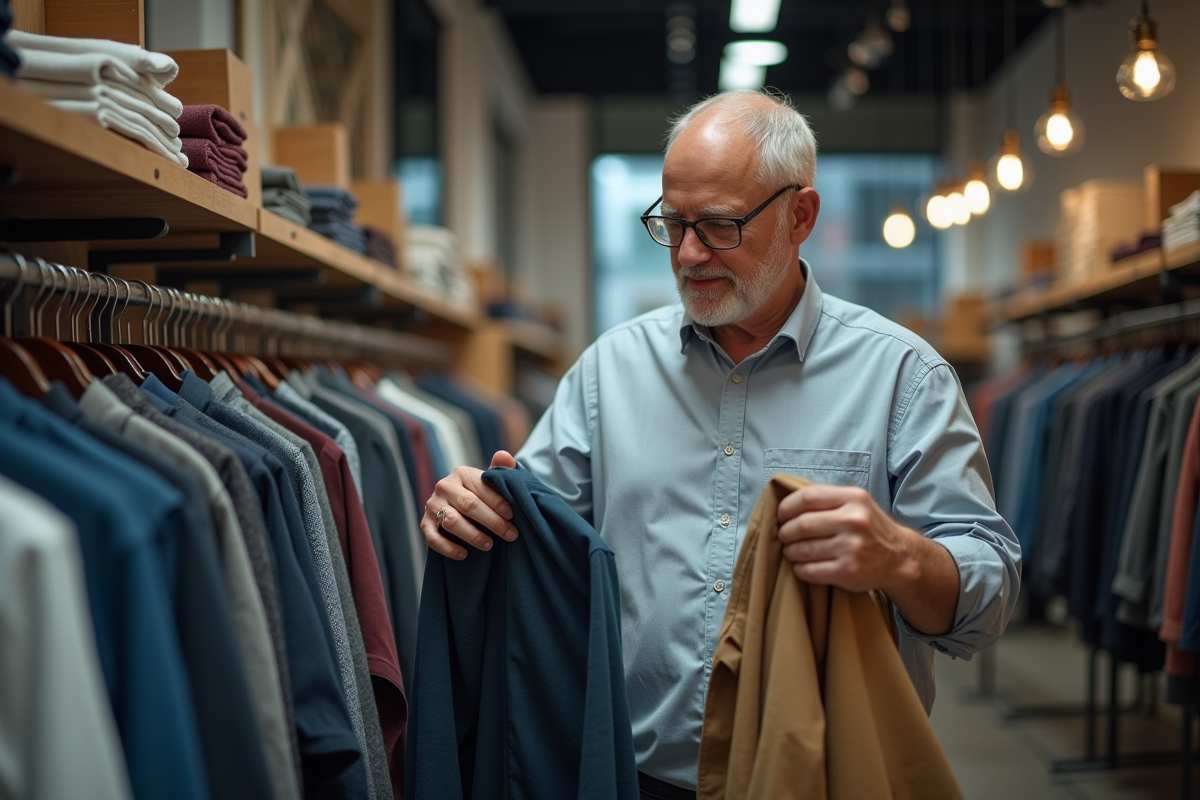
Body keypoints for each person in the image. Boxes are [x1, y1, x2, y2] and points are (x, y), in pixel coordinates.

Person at [419, 89, 1020, 796]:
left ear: (801, 216)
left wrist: (900, 557)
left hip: (823, 779)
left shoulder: (903, 379)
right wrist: (468, 507)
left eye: (720, 225)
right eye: (672, 223)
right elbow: (531, 535)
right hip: (635, 779)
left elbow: (990, 594)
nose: (690, 253)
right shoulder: (607, 374)